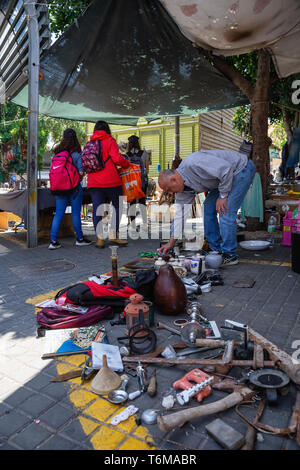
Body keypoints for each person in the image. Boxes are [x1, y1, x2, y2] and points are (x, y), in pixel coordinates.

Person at [158, 148, 256, 265]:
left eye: (169, 189)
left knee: (225, 210)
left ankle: (230, 254)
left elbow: (225, 169)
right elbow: (180, 216)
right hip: (223, 179)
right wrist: (171, 243)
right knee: (208, 208)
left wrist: (223, 196)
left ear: (173, 179)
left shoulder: (194, 163)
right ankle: (215, 250)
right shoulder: (181, 191)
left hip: (240, 170)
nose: (171, 193)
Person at [85, 121, 130, 248]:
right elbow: (117, 159)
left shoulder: (89, 143)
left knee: (97, 209)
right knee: (117, 206)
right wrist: (126, 163)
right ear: (107, 130)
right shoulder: (110, 140)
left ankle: (100, 239)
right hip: (111, 181)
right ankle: (113, 235)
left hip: (93, 182)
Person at [49, 129, 92, 250]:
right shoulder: (77, 154)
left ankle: (53, 241)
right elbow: (81, 172)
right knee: (75, 213)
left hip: (59, 188)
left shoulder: (57, 153)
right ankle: (79, 239)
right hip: (74, 188)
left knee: (59, 213)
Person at [126, 135, 148, 227]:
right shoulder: (144, 153)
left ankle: (133, 223)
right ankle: (144, 223)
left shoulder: (127, 155)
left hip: (131, 182)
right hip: (142, 182)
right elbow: (147, 170)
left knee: (132, 202)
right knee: (142, 202)